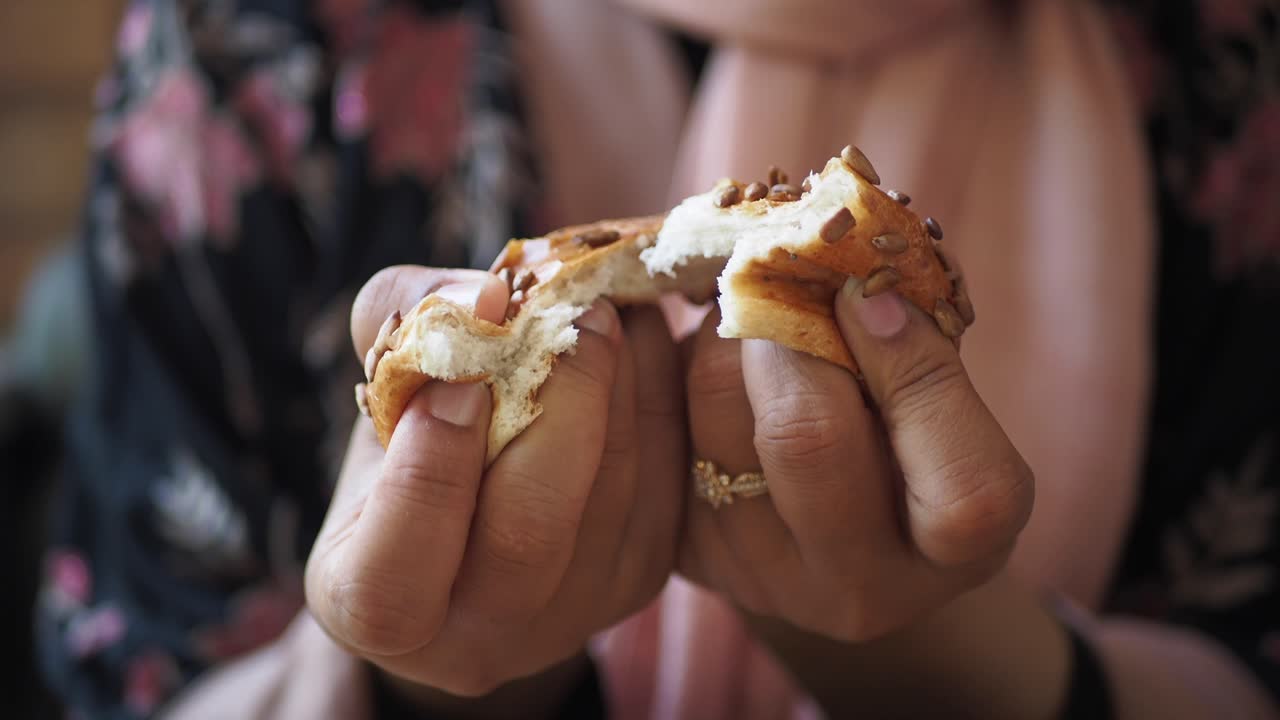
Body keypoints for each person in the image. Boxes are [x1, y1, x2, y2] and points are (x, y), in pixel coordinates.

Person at [35, 0, 1280, 718]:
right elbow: (128, 673)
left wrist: (952, 670)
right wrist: (422, 689)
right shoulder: (245, 52)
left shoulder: (1231, 64)